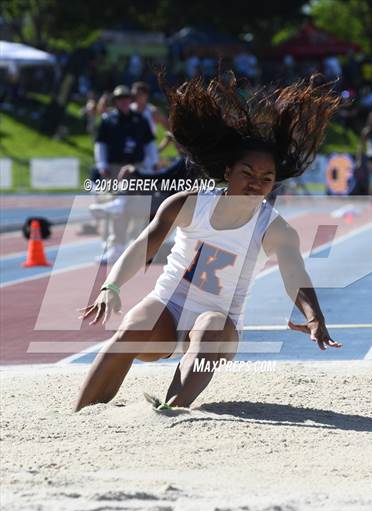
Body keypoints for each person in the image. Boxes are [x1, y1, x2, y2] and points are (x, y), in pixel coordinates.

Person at [76, 73, 342, 412]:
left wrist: (315, 317)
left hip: (220, 327)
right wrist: (110, 287)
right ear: (228, 170)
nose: (255, 184)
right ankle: (81, 414)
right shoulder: (188, 204)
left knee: (209, 327)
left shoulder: (273, 228)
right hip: (167, 312)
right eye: (247, 173)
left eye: (266, 179)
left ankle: (171, 410)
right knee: (130, 331)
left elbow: (295, 275)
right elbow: (145, 246)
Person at [94, 85, 158, 180]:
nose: (123, 101)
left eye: (126, 97)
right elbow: (101, 144)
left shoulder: (141, 119)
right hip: (114, 168)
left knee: (139, 194)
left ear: (130, 99)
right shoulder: (108, 121)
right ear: (115, 101)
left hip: (137, 167)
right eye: (120, 98)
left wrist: (153, 162)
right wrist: (102, 165)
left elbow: (149, 143)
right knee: (115, 194)